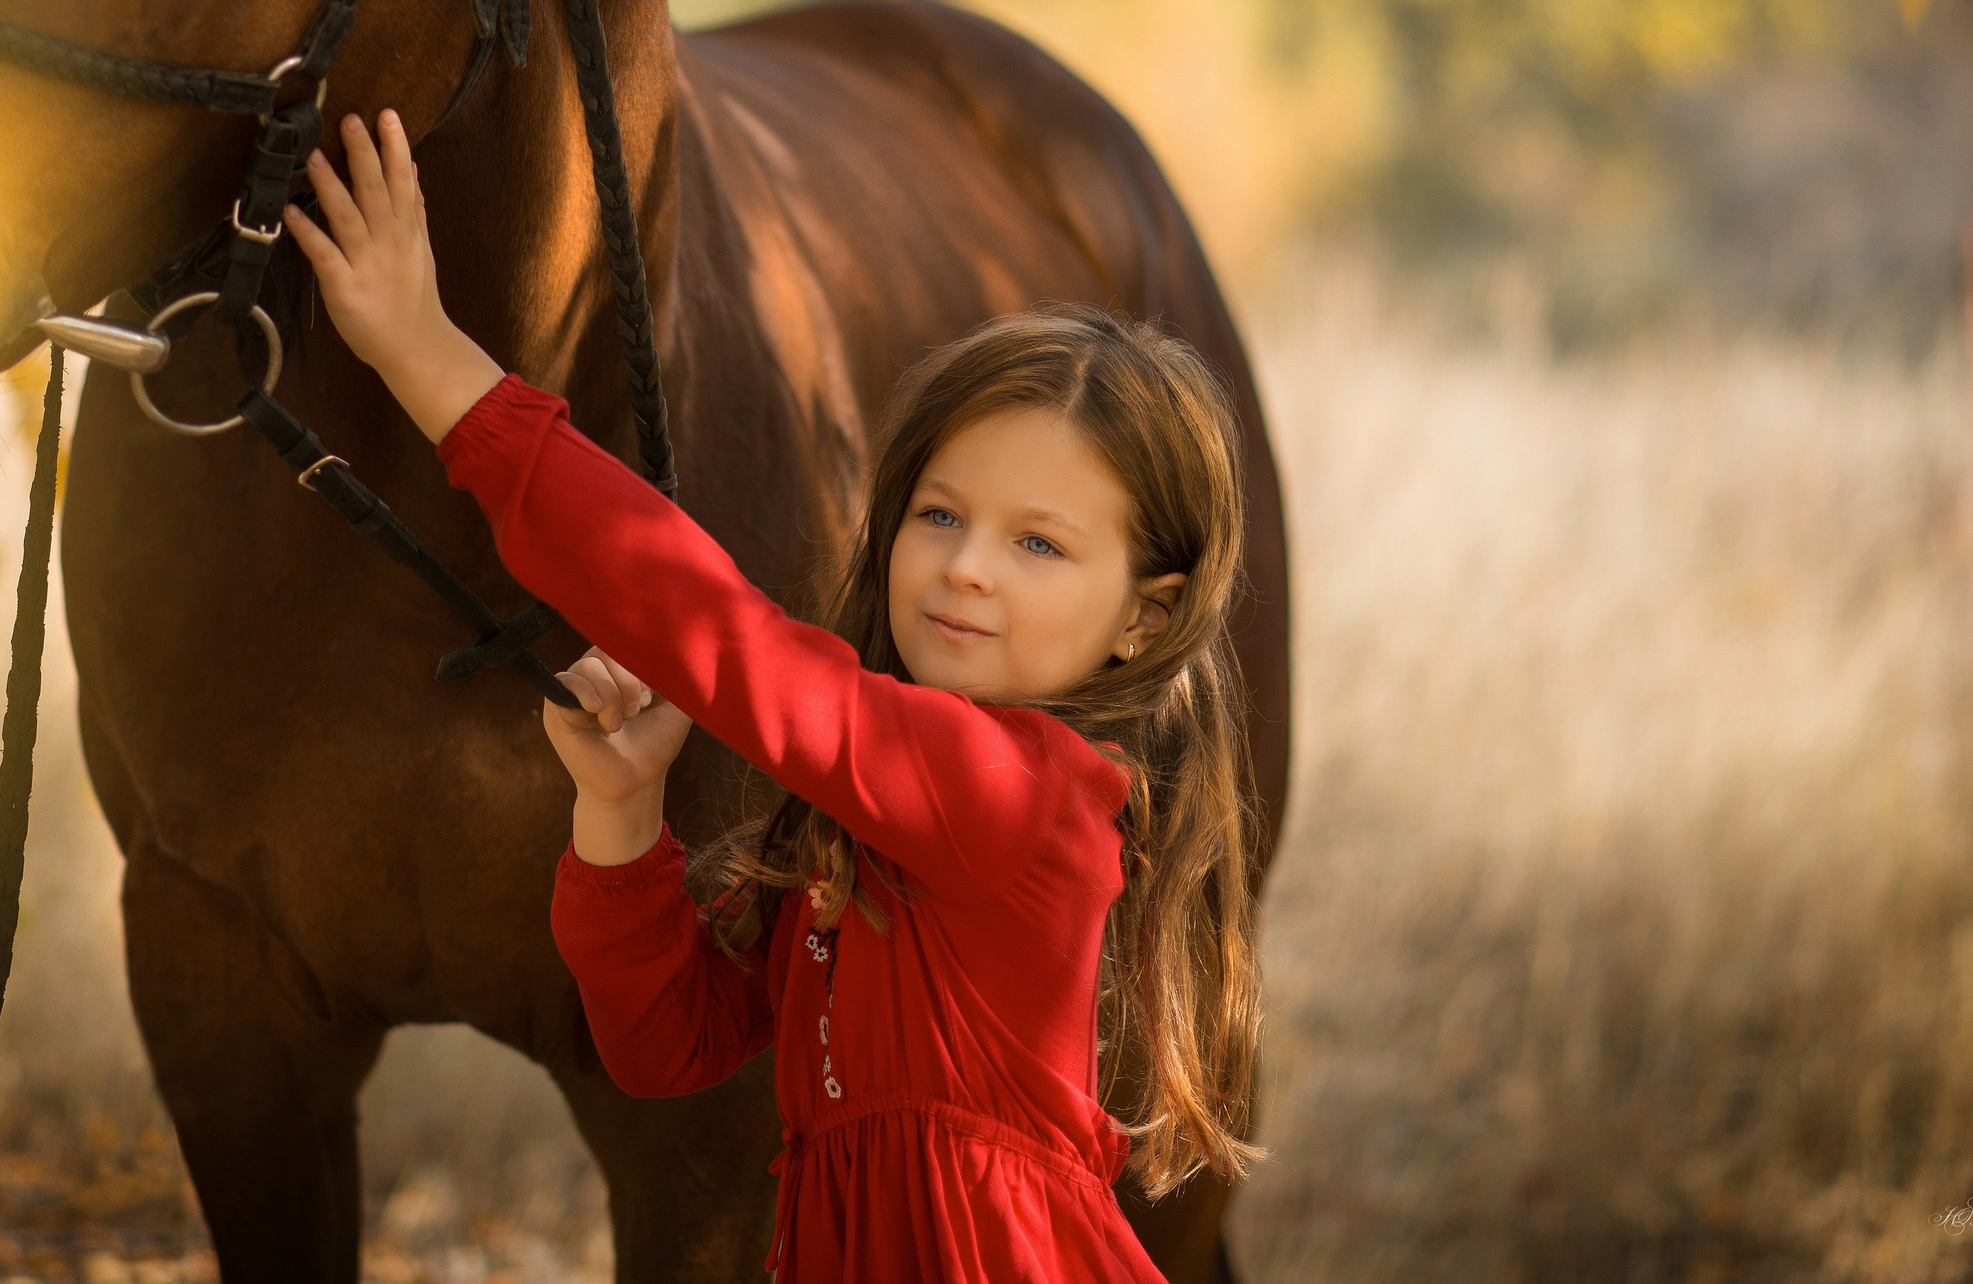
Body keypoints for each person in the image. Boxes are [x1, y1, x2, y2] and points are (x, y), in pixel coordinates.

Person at [285, 108, 1266, 1281]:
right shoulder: (871, 819)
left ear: (1143, 618)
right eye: (940, 515)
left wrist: (424, 357)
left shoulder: (1020, 792)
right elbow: (667, 1044)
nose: (964, 565)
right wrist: (621, 819)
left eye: (1038, 545)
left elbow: (726, 642)